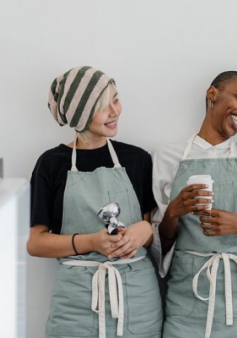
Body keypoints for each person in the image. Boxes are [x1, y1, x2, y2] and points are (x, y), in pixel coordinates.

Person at [151, 71, 237, 338]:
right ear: (212, 95)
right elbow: (162, 246)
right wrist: (174, 211)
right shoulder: (166, 156)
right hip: (189, 296)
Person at [27, 66, 163, 338]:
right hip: (76, 303)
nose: (116, 111)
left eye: (116, 99)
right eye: (104, 106)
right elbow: (36, 242)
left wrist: (144, 231)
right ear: (81, 114)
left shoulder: (138, 159)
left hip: (138, 300)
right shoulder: (51, 164)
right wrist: (91, 242)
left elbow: (151, 227)